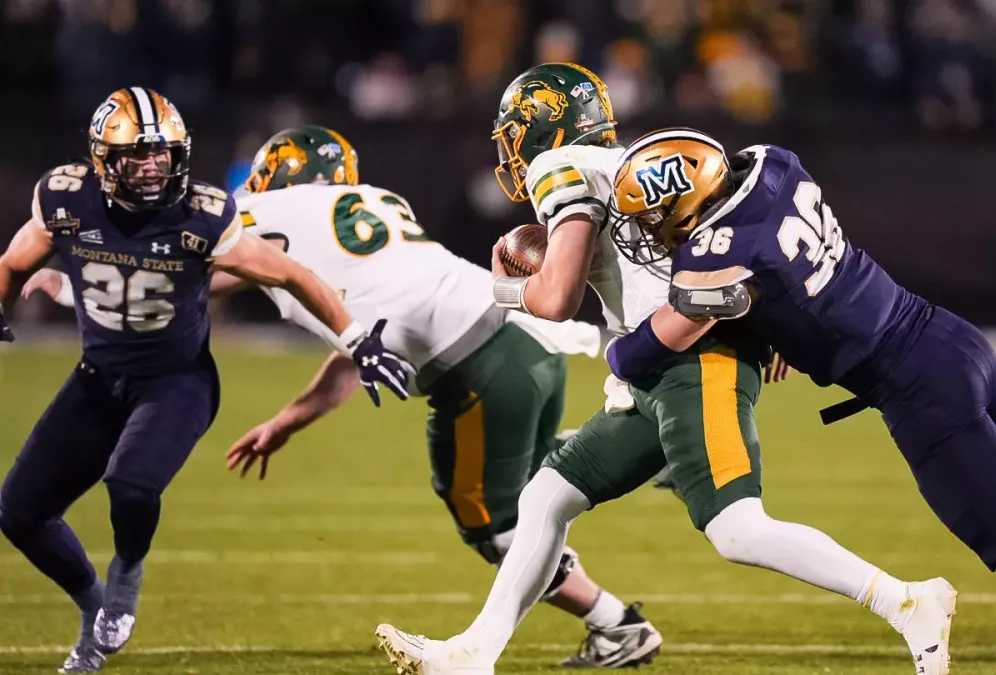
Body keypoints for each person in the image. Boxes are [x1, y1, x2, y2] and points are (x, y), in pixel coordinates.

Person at [373, 64, 956, 675]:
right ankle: (473, 654)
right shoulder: (633, 164)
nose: (511, 147)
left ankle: (908, 601)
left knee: (737, 530)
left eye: (515, 131)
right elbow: (716, 249)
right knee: (545, 496)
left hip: (692, 363)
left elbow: (558, 298)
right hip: (655, 368)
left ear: (543, 127)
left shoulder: (560, 168)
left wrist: (503, 289)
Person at [28, 123, 650, 669]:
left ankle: (615, 621)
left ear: (278, 173)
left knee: (492, 523)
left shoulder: (270, 211)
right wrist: (289, 421)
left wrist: (77, 279)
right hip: (527, 345)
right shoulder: (372, 205)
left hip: (481, 369)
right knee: (533, 494)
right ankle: (633, 484)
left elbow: (188, 265)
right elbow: (360, 346)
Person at [603, 127, 996, 672]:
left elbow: (636, 353)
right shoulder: (774, 164)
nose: (651, 234)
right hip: (945, 334)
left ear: (688, 201)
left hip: (915, 389)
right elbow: (777, 269)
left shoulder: (718, 251)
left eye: (654, 219)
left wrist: (573, 319)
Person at [0, 89, 412, 674]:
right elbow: (16, 261)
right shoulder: (65, 200)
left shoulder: (200, 214)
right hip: (98, 378)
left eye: (163, 155)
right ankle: (95, 611)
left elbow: (291, 273)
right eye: (138, 157)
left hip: (176, 382)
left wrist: (356, 341)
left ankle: (125, 578)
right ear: (102, 160)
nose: (153, 168)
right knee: (18, 513)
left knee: (132, 485)